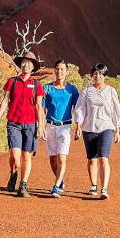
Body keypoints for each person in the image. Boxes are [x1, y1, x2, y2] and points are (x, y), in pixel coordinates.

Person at [0, 51, 46, 197]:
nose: (26, 65)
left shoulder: (37, 84)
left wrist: (41, 126)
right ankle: (13, 173)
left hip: (30, 124)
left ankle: (23, 185)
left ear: (33, 66)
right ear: (20, 64)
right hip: (14, 123)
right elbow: (5, 100)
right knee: (16, 158)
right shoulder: (13, 81)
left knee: (26, 156)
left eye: (29, 63)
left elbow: (39, 106)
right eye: (24, 62)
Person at [74, 63, 120, 199]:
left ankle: (104, 188)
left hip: (106, 127)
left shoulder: (111, 91)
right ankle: (93, 185)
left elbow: (116, 111)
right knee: (91, 159)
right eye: (95, 73)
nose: (97, 76)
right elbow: (80, 108)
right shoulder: (86, 90)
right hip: (89, 128)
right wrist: (78, 126)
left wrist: (117, 130)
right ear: (92, 75)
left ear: (104, 76)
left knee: (103, 158)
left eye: (100, 74)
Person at [42, 59, 79, 198]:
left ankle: (56, 186)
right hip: (50, 125)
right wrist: (41, 126)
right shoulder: (47, 88)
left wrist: (78, 126)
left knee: (62, 158)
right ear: (54, 70)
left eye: (62, 69)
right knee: (52, 159)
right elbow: (42, 108)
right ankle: (60, 180)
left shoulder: (72, 89)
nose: (59, 72)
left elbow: (77, 109)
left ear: (67, 72)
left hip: (65, 126)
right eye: (57, 69)